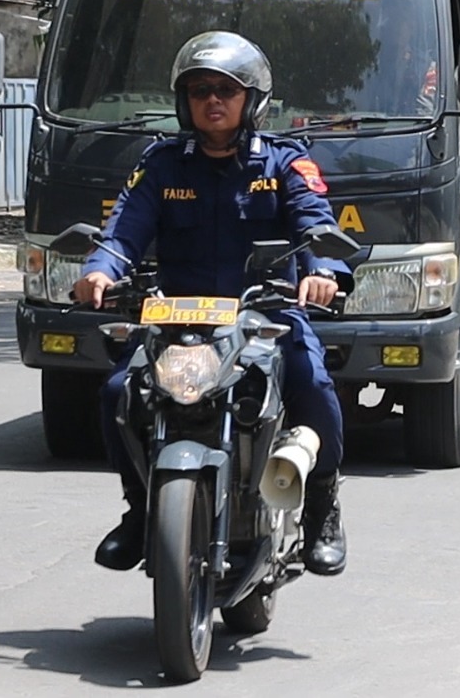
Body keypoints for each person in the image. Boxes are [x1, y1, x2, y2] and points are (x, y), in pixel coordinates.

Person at [72, 30, 354, 578]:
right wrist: (99, 272)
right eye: (200, 89)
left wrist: (321, 271)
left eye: (227, 89)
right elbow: (123, 231)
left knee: (312, 383)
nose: (213, 100)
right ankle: (140, 510)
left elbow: (317, 224)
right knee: (116, 394)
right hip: (182, 320)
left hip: (266, 316)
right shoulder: (160, 165)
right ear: (185, 101)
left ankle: (322, 508)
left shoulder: (284, 164)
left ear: (252, 100)